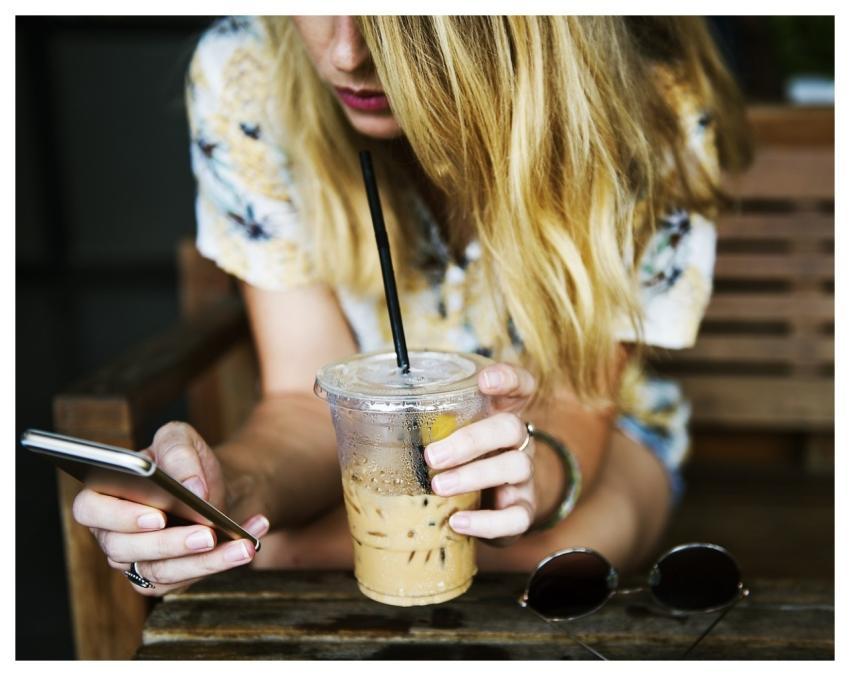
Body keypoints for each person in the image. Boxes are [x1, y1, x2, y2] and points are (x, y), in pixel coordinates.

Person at [71, 16, 750, 596]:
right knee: (279, 548)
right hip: (368, 453)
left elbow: (579, 403)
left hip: (590, 434)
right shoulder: (247, 74)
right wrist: (230, 494)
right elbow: (306, 402)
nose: (345, 53)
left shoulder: (647, 107)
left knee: (544, 560)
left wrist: (527, 478)